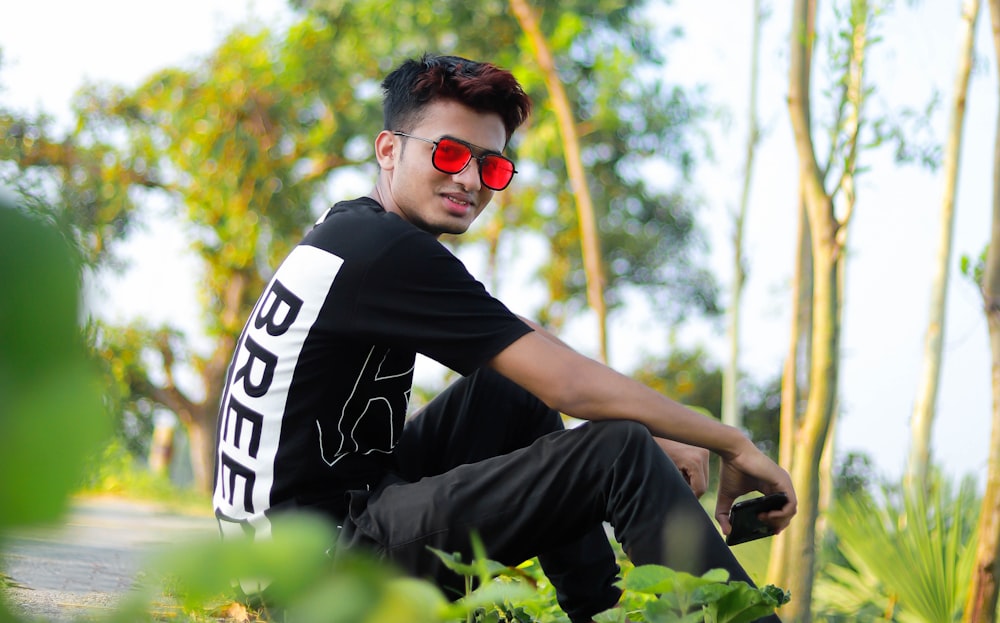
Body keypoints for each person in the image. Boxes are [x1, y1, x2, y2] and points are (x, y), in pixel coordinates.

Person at [212, 53, 797, 623]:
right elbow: (570, 385)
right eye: (448, 153)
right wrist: (730, 442)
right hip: (311, 581)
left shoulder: (355, 231)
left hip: (300, 542)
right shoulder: (386, 252)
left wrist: (657, 428)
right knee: (617, 451)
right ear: (389, 150)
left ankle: (602, 608)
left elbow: (528, 349)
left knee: (516, 388)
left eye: (491, 166)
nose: (469, 180)